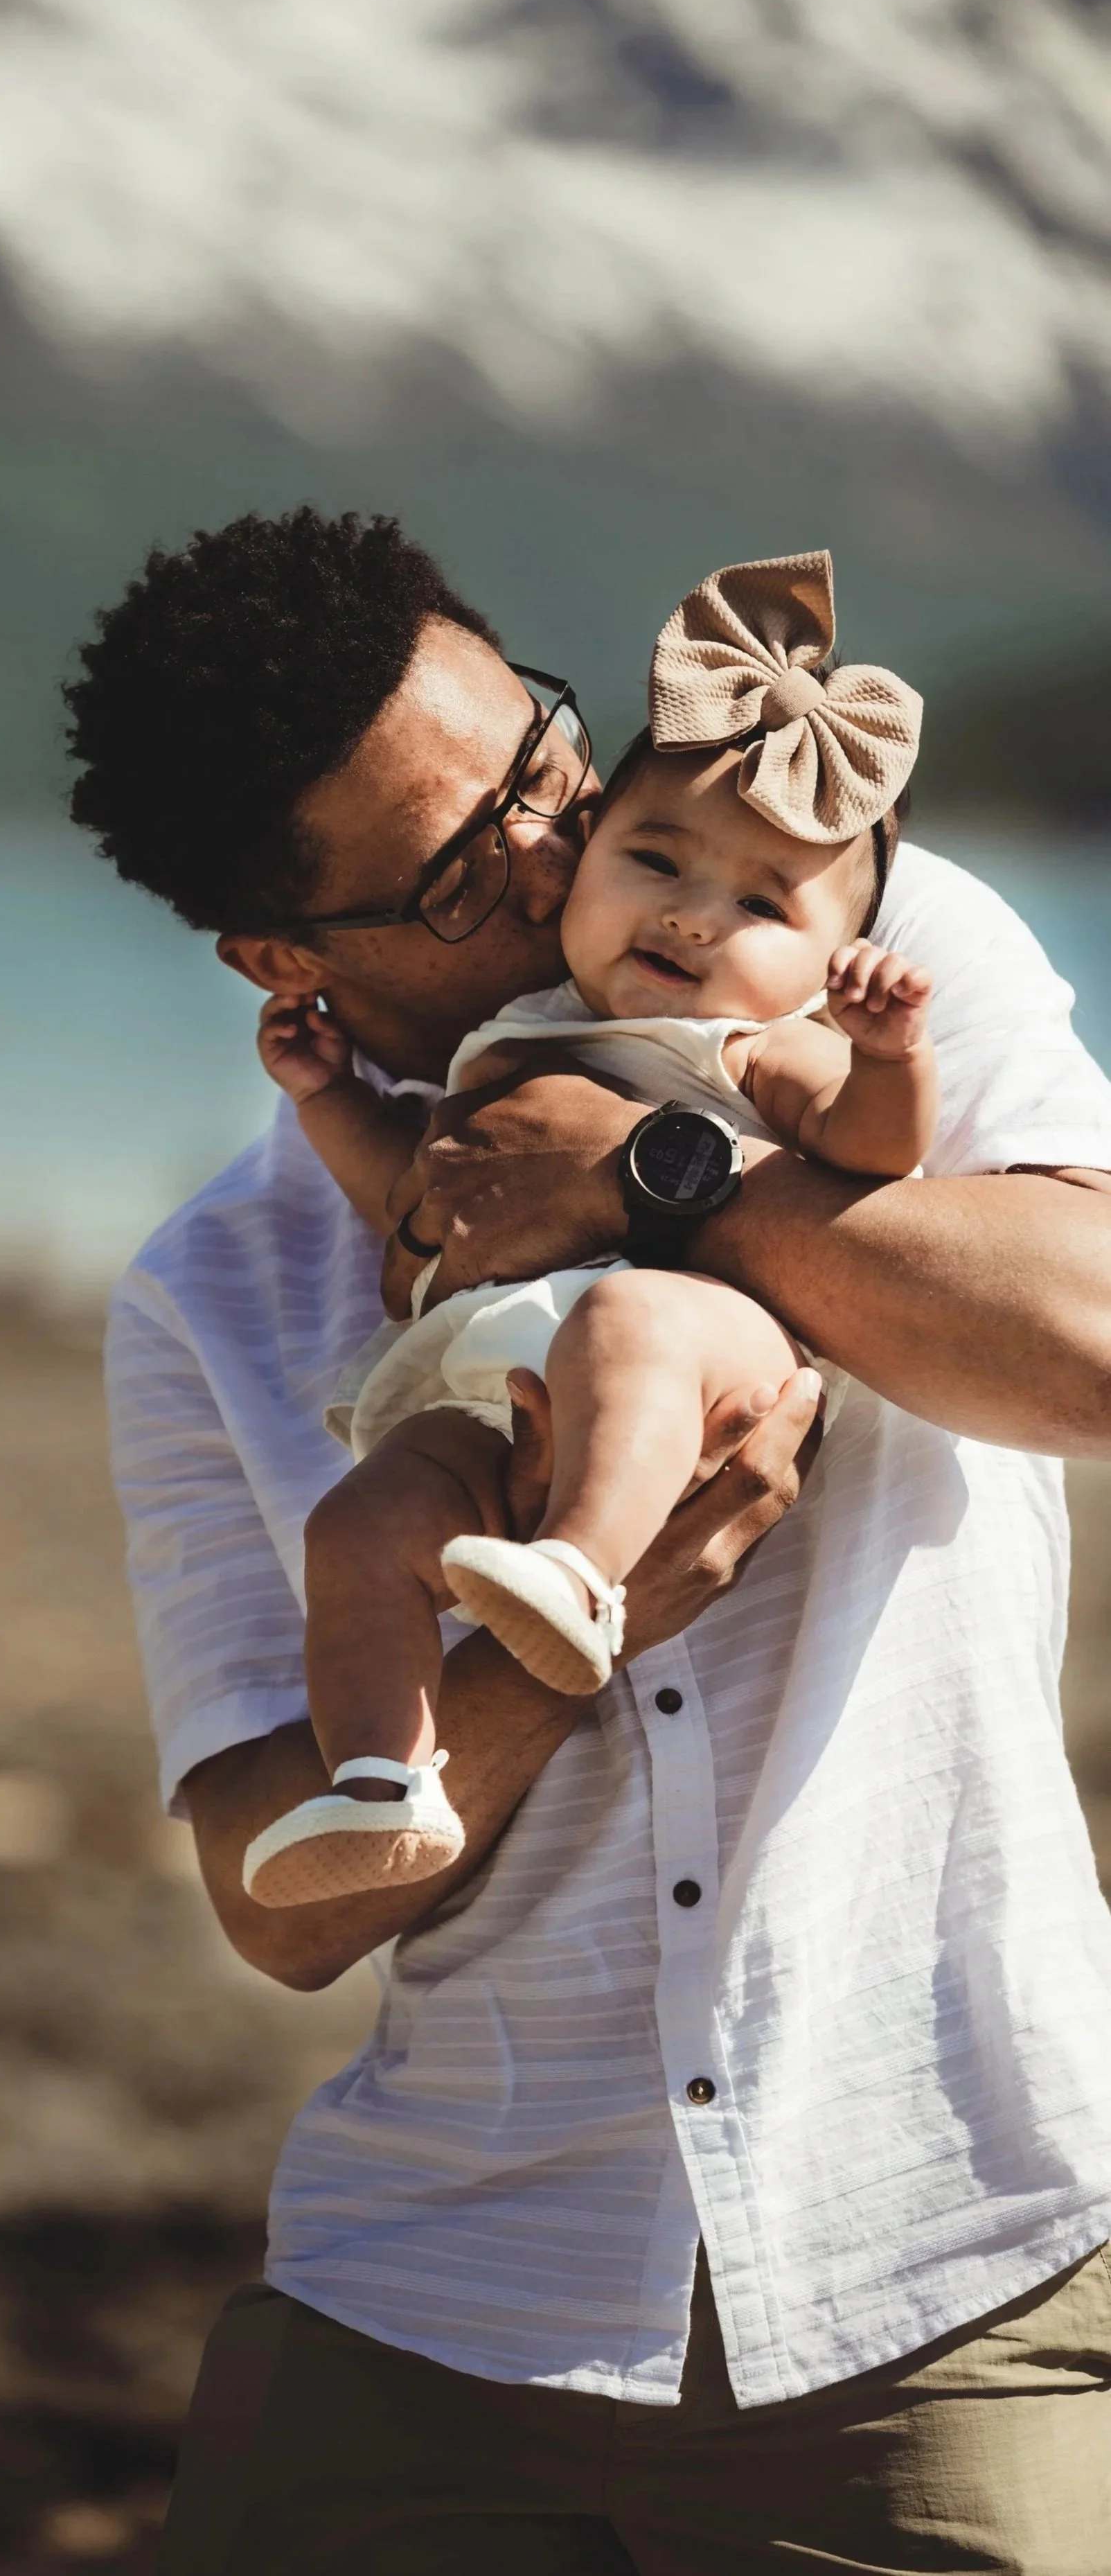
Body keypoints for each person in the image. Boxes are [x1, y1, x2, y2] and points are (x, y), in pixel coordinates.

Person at [66, 509, 1111, 2573]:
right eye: (468, 864)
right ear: (287, 963)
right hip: (431, 2307)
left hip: (940, 2255)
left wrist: (665, 1179)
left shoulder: (850, 941)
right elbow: (278, 1909)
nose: (570, 856)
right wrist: (572, 1640)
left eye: (546, 758)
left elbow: (1087, 1345)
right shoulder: (216, 1293)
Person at [242, 552, 937, 1908]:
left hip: (685, 1344)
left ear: (823, 953)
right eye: (653, 857)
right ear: (591, 847)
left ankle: (581, 1563)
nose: (691, 911)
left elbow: (868, 1153)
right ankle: (386, 1777)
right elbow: (424, 1184)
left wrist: (886, 1055)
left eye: (762, 904)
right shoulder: (523, 1029)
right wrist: (330, 1102)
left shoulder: (755, 1043)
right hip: (498, 1377)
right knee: (362, 1523)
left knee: (627, 1324)